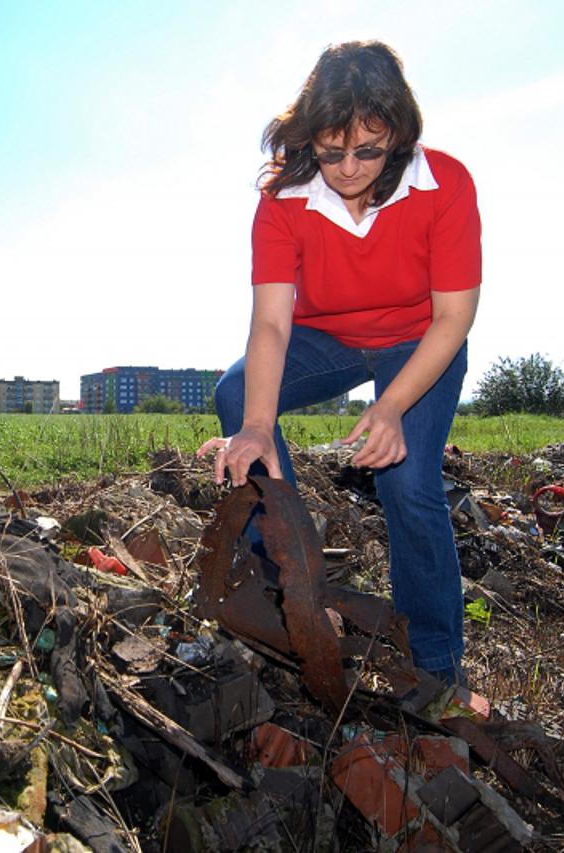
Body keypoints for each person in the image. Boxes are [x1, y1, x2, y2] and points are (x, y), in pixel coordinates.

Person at [198, 40, 481, 686]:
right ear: (309, 139)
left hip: (419, 340)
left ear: (399, 137)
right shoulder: (285, 200)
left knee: (408, 480)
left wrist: (391, 406)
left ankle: (435, 663)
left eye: (369, 151)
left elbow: (454, 318)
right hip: (326, 337)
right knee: (240, 398)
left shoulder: (446, 185)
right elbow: (271, 322)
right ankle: (291, 590)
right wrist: (260, 426)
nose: (349, 168)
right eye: (331, 152)